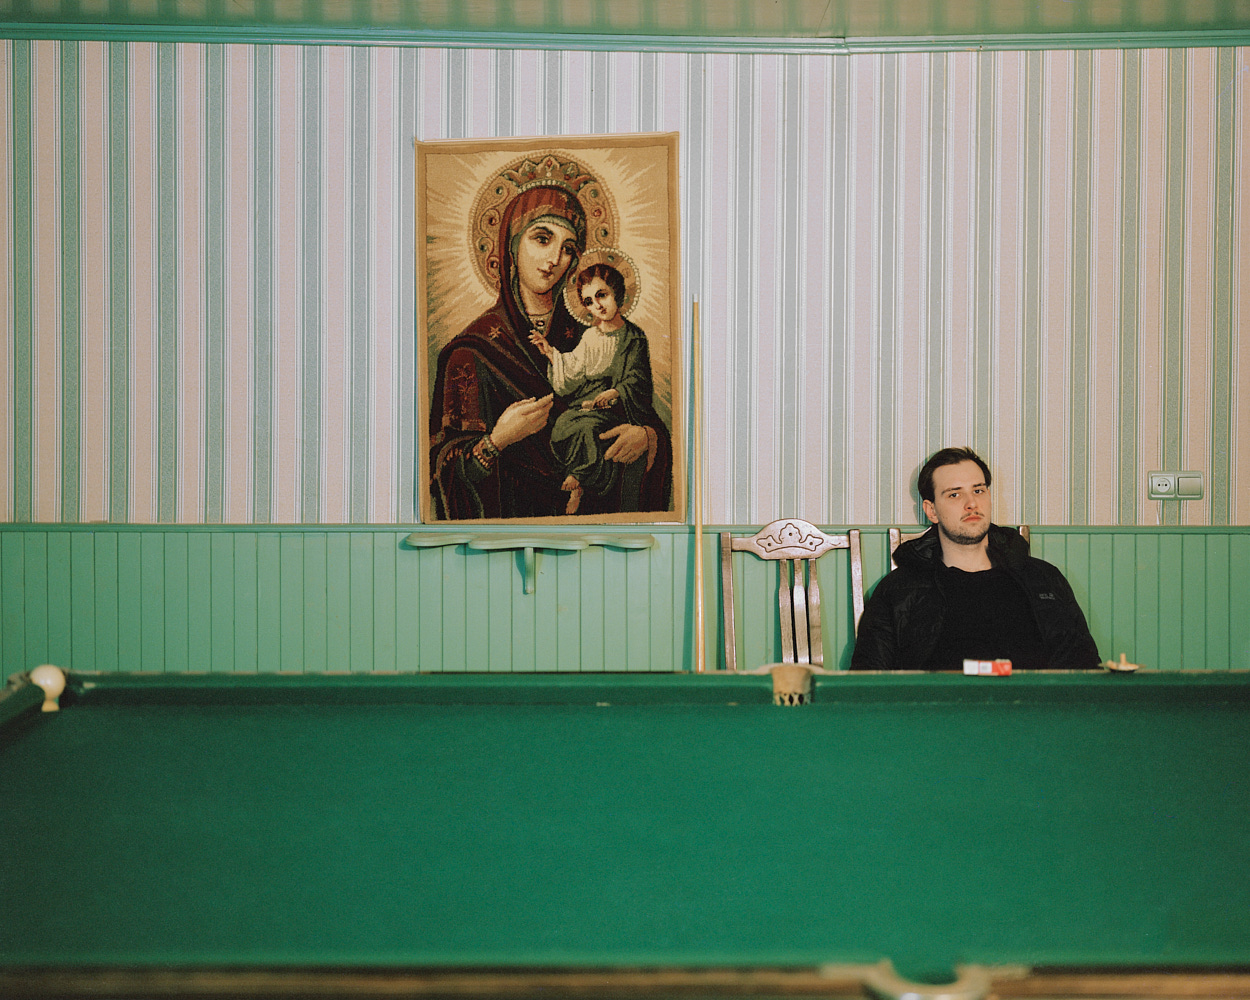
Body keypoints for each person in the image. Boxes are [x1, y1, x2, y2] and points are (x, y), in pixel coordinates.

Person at [427, 183, 672, 519]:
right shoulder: (470, 352)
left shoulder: (595, 337)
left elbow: (640, 410)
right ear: (512, 244)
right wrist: (497, 441)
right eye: (542, 239)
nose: (555, 259)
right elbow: (444, 471)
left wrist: (646, 438)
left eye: (568, 248)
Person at [852, 447, 1100, 671]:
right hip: (937, 707)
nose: (972, 503)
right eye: (954, 495)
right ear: (931, 510)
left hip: (1033, 706)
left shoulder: (1042, 579)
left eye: (978, 491)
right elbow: (868, 681)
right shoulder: (899, 590)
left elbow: (1084, 668)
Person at [529, 262, 662, 515]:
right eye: (589, 301)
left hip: (618, 408)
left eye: (602, 295)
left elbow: (638, 379)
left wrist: (616, 393)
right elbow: (573, 369)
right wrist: (550, 353)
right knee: (564, 424)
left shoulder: (633, 337)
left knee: (589, 429)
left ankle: (580, 478)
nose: (597, 306)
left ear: (616, 293)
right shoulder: (590, 337)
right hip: (589, 402)